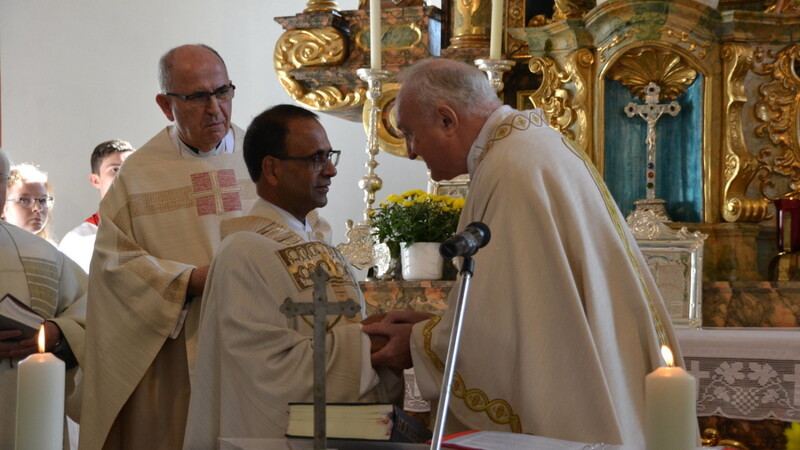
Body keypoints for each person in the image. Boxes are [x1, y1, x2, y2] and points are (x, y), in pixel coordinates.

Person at [363, 58, 684, 446]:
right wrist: (434, 325)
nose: (412, 152)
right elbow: (532, 308)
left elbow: (507, 333)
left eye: (411, 134)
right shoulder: (536, 146)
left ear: (447, 120)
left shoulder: (509, 168)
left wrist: (419, 343)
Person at [183, 105, 402, 449]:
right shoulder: (243, 252)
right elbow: (266, 371)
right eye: (316, 158)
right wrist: (368, 345)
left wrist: (376, 335)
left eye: (330, 155)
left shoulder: (320, 244)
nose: (330, 170)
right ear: (271, 169)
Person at [79, 44, 257, 450]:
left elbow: (307, 234)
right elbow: (114, 264)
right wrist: (185, 281)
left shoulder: (264, 163)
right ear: (165, 105)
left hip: (254, 344)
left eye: (223, 92)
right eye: (197, 97)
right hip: (173, 358)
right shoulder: (138, 175)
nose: (215, 108)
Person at [0, 149, 87, 448]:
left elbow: (93, 308)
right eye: (24, 199)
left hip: (17, 413)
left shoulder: (42, 254)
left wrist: (59, 334)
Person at [58, 140, 135, 273]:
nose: (125, 175)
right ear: (95, 180)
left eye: (131, 168)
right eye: (115, 169)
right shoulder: (77, 241)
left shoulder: (156, 226)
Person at [3, 162, 56, 243]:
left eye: (43, 200)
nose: (38, 208)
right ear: (2, 207)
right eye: (24, 200)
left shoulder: (51, 252)